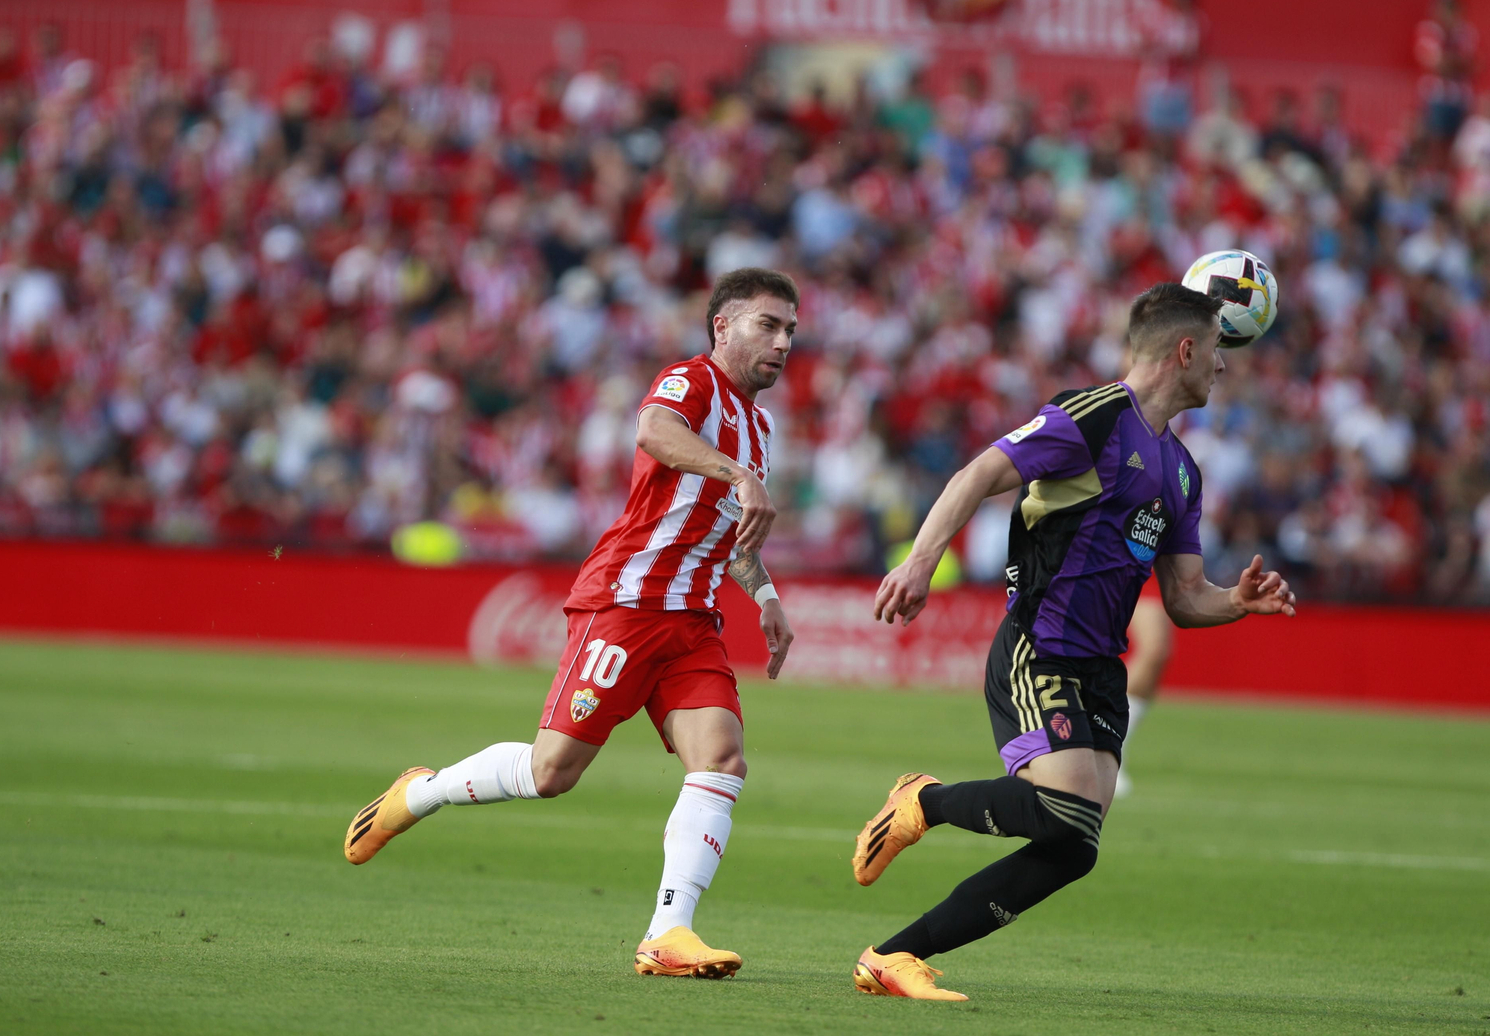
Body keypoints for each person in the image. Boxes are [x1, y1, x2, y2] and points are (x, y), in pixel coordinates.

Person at [343, 268, 800, 980]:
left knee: (722, 760)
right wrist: (738, 474)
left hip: (692, 622)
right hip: (627, 604)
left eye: (790, 330)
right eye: (768, 325)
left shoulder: (761, 427)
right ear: (723, 326)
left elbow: (727, 532)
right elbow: (654, 430)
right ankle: (420, 792)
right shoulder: (692, 381)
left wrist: (765, 595)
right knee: (551, 772)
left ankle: (668, 933)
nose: (783, 342)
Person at [850, 283, 1296, 1000]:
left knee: (1074, 846)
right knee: (1066, 811)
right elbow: (979, 472)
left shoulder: (1183, 471)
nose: (1223, 364)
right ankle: (924, 801)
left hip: (1100, 672)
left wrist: (1237, 602)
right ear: (1185, 350)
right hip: (1040, 646)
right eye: (1217, 348)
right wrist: (921, 562)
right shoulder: (1093, 417)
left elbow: (1185, 598)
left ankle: (895, 956)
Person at [1116, 586, 1174, 797]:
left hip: (1159, 570)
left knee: (1158, 653)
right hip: (1126, 570)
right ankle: (1108, 744)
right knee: (1154, 649)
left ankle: (1111, 742)